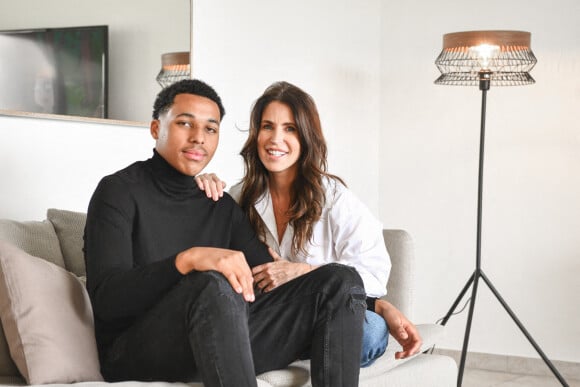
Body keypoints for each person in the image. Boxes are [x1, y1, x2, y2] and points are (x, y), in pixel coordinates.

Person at [83, 79, 367, 387]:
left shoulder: (219, 204)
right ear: (156, 128)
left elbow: (264, 283)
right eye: (184, 123)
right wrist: (189, 260)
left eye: (210, 129)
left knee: (341, 280)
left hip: (218, 338)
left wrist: (371, 303)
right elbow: (107, 299)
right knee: (213, 284)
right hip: (134, 351)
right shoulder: (118, 191)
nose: (198, 138)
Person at [196, 81, 422, 367]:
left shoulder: (335, 199)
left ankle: (295, 347)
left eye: (289, 128)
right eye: (267, 126)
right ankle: (306, 346)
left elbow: (375, 275)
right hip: (275, 316)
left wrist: (304, 272)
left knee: (368, 332)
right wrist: (200, 187)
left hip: (333, 312)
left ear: (306, 136)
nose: (275, 139)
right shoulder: (239, 198)